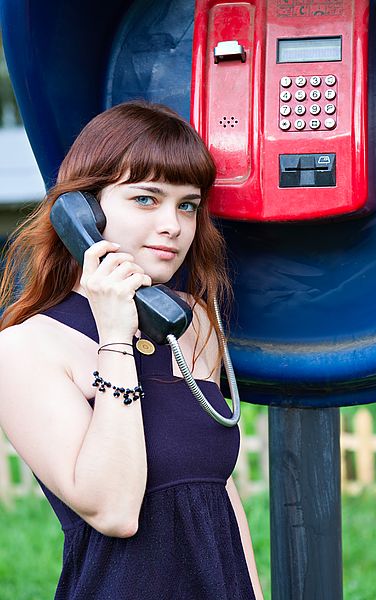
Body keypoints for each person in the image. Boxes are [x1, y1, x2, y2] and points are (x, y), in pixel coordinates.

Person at [0, 101, 263, 599]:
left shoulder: (193, 322)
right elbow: (113, 510)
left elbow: (218, 493)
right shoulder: (27, 347)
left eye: (187, 204)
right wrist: (115, 338)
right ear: (84, 213)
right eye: (146, 199)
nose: (173, 225)